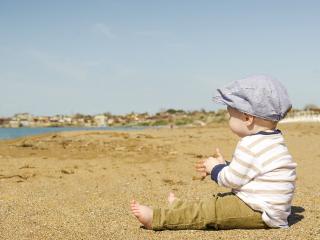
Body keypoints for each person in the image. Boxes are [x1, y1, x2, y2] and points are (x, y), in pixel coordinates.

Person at [130, 75, 297, 230]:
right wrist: (225, 165)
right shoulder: (274, 141)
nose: (229, 119)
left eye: (231, 115)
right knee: (216, 201)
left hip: (259, 211)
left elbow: (231, 180)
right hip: (272, 209)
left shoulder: (249, 145)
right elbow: (252, 172)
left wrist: (214, 169)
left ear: (247, 118)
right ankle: (180, 207)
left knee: (211, 211)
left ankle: (158, 218)